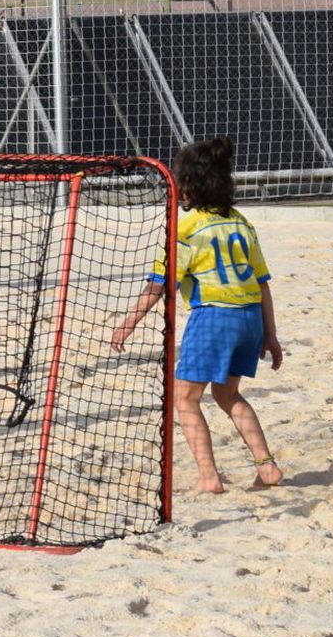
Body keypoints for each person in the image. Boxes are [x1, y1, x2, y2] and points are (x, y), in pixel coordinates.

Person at [111, 135, 284, 494]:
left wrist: (128, 323)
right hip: (250, 317)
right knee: (227, 395)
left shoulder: (186, 228)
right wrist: (271, 335)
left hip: (213, 319)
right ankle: (266, 465)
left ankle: (208, 476)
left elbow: (159, 286)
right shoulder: (240, 222)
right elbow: (263, 284)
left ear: (187, 184)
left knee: (185, 398)